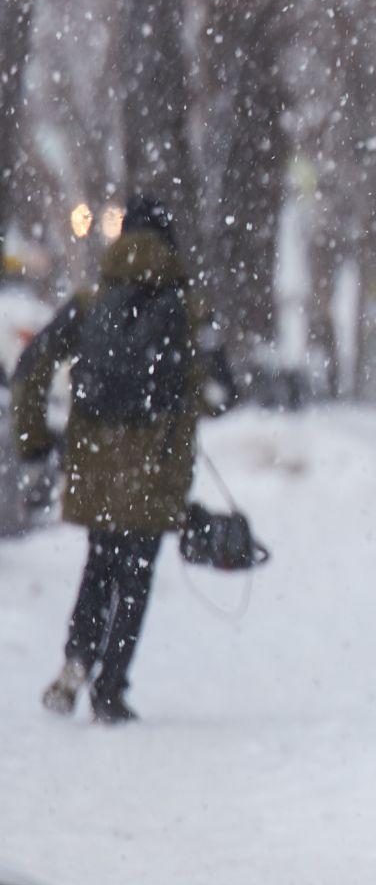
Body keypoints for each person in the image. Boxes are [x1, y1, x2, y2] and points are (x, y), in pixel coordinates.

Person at [11, 195, 236, 723]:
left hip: (93, 461)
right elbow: (226, 393)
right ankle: (110, 687)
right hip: (156, 467)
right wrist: (191, 395)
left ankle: (74, 662)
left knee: (99, 563)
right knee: (134, 577)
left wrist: (35, 439)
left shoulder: (90, 304)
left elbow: (32, 365)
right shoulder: (191, 311)